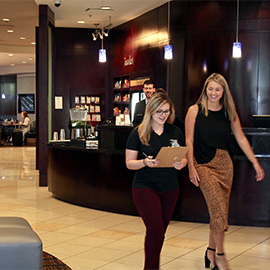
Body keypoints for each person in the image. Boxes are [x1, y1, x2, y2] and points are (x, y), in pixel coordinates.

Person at [185, 73, 265, 270]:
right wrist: (191, 167)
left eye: (217, 89)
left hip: (225, 165)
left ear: (223, 92)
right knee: (219, 212)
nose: (213, 93)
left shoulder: (229, 112)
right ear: (205, 89)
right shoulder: (194, 111)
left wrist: (255, 163)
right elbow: (188, 141)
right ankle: (220, 256)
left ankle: (210, 252)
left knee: (218, 212)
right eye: (210, 89)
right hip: (203, 164)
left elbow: (241, 138)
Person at [126, 91, 187, 269]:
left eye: (167, 111)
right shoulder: (138, 133)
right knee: (155, 229)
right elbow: (129, 163)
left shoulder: (175, 131)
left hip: (170, 187)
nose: (163, 115)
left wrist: (181, 164)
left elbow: (183, 156)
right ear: (150, 111)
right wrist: (145, 162)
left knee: (160, 232)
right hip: (145, 186)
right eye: (159, 111)